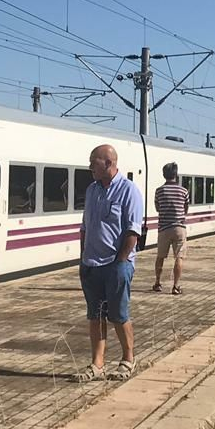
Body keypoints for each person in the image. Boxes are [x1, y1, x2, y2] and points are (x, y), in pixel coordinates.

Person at [74, 145, 145, 383]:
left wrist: (120, 262)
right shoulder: (92, 191)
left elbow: (133, 232)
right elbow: (85, 227)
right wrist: (83, 259)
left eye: (94, 162)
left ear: (108, 163)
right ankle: (98, 364)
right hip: (92, 264)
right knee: (95, 316)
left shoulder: (129, 191)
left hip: (116, 265)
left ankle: (128, 359)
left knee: (118, 315)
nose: (90, 167)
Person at [152, 163, 190, 295]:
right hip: (179, 228)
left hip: (163, 228)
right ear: (176, 174)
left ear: (164, 175)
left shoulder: (159, 191)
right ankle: (176, 286)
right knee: (179, 257)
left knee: (160, 257)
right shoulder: (184, 191)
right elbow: (185, 208)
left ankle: (157, 283)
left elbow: (157, 208)